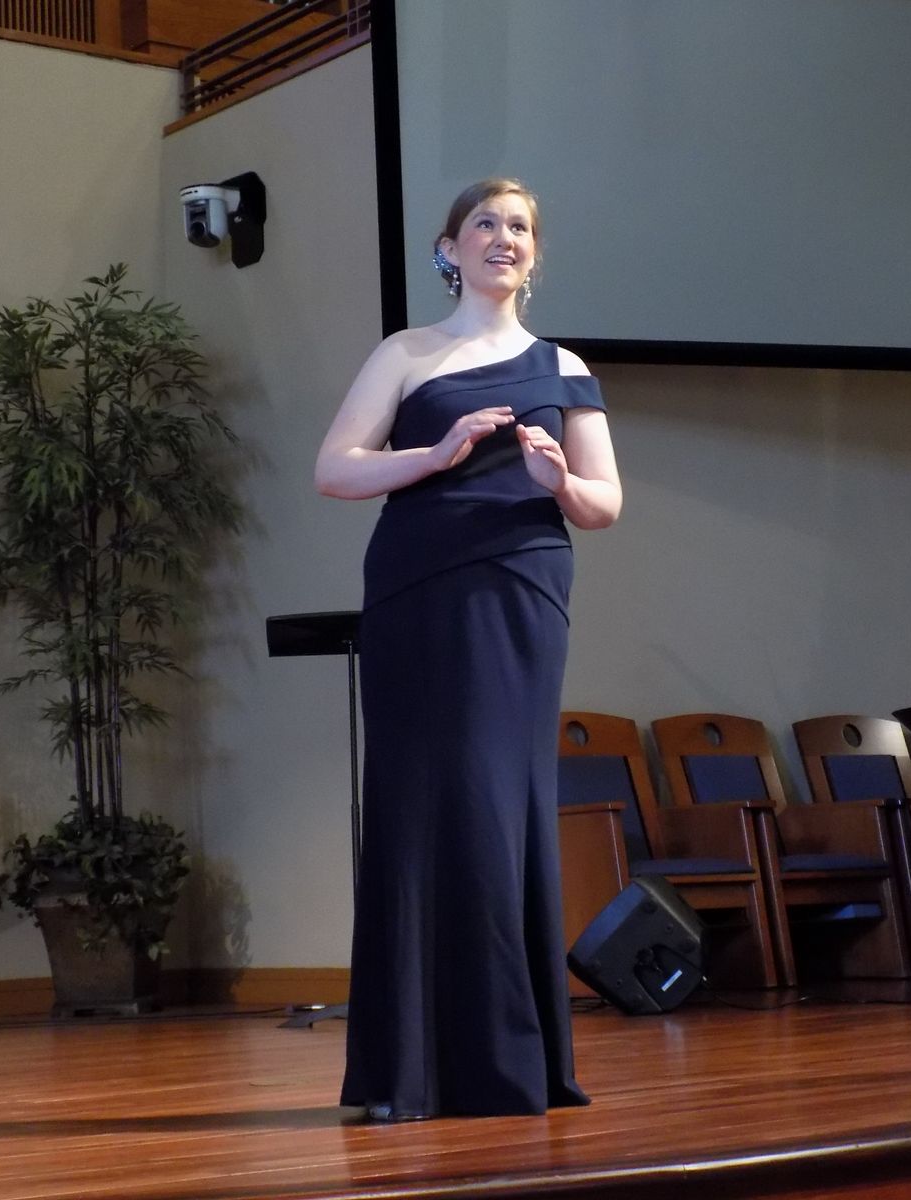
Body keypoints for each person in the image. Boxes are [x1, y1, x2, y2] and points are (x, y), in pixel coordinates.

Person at [314, 178, 622, 1119]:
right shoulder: (406, 353)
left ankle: (503, 1060)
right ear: (449, 249)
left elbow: (605, 504)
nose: (503, 237)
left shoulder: (563, 366)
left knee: (500, 803)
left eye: (519, 226)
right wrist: (436, 454)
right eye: (484, 223)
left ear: (535, 254)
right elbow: (335, 470)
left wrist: (558, 480)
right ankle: (406, 1070)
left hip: (522, 587)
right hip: (418, 590)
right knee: (417, 803)